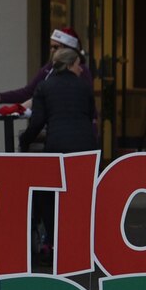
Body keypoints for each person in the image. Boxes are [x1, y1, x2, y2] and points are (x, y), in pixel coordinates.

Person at [17, 43, 99, 267]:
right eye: (79, 65)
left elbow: (37, 122)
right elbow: (90, 114)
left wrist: (23, 141)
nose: (82, 69)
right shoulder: (84, 88)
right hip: (86, 148)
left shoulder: (45, 87)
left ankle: (53, 242)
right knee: (82, 196)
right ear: (71, 64)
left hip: (58, 148)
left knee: (48, 195)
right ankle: (84, 245)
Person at [0, 26, 88, 111]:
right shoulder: (49, 67)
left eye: (56, 47)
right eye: (51, 47)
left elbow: (87, 101)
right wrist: (0, 97)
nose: (52, 50)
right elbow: (29, 92)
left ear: (67, 49)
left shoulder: (80, 69)